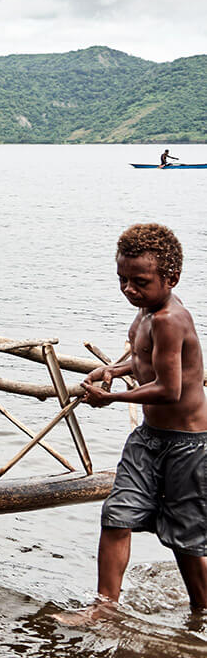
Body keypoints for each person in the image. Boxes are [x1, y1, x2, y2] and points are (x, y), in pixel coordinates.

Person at [61, 223, 207, 623]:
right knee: (117, 515)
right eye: (122, 280)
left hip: (188, 444)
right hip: (149, 438)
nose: (129, 289)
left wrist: (112, 398)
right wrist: (110, 370)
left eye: (140, 282)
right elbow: (144, 361)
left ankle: (202, 614)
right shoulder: (146, 313)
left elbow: (170, 389)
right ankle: (104, 608)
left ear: (170, 278)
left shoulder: (170, 319)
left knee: (188, 539)